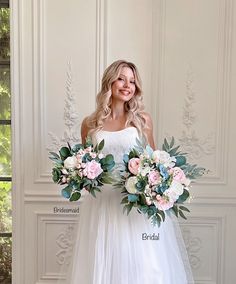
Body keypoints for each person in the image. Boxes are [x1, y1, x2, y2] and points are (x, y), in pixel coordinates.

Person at [65, 60, 194, 283]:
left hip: (134, 204)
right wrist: (78, 176)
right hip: (102, 204)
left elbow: (156, 160)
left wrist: (154, 188)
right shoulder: (90, 123)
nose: (128, 85)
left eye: (132, 81)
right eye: (121, 79)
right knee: (102, 261)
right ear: (109, 82)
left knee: (143, 266)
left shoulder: (142, 120)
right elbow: (85, 163)